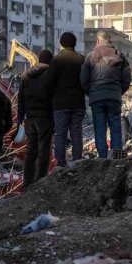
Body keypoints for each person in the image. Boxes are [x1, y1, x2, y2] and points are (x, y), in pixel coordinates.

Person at [80, 30, 131, 158]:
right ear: (110, 41)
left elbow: (83, 79)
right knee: (116, 128)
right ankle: (116, 158)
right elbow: (127, 79)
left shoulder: (91, 56)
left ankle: (102, 158)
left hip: (97, 98)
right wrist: (118, 91)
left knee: (100, 129)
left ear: (97, 41)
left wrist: (91, 93)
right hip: (114, 97)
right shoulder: (120, 55)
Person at [16, 49, 55, 186]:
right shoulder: (50, 75)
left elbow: (20, 98)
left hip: (30, 118)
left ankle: (27, 180)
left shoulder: (26, 75)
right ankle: (41, 179)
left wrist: (20, 118)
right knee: (44, 148)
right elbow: (53, 98)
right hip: (45, 117)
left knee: (31, 149)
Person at [48, 32, 86, 166]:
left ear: (62, 44)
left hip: (60, 104)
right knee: (76, 133)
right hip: (78, 103)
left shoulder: (56, 60)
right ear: (74, 44)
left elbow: (50, 82)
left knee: (60, 134)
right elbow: (86, 81)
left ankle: (61, 162)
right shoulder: (82, 60)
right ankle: (77, 161)